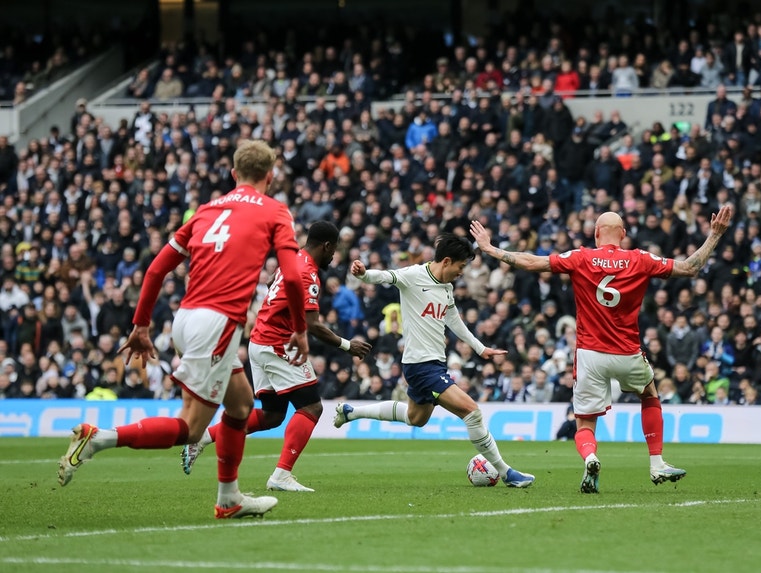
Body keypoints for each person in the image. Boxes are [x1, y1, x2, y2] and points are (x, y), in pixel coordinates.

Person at [58, 140, 310, 519]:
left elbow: (157, 268)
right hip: (218, 324)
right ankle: (100, 438)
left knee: (240, 405)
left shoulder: (206, 211)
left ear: (232, 174)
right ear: (270, 177)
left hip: (186, 319)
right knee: (192, 427)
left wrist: (141, 324)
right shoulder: (275, 211)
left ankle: (230, 498)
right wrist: (301, 328)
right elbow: (292, 276)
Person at [470, 204, 733, 493]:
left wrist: (492, 249)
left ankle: (592, 457)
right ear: (623, 234)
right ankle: (656, 462)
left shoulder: (580, 257)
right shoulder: (640, 259)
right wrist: (714, 236)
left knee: (584, 420)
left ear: (596, 233)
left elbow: (532, 262)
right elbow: (690, 267)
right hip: (627, 352)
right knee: (649, 393)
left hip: (590, 354)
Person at [179, 221, 372, 491]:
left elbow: (272, 284)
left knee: (272, 415)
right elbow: (312, 324)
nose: (333, 257)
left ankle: (203, 438)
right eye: (333, 250)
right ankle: (281, 475)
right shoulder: (308, 273)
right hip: (277, 344)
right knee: (312, 408)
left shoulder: (292, 261)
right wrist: (347, 345)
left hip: (260, 341)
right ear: (326, 246)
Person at [333, 233, 535, 487]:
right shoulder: (414, 276)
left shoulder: (447, 288)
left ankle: (352, 413)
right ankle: (507, 473)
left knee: (415, 418)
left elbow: (454, 322)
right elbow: (386, 276)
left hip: (433, 364)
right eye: (461, 267)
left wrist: (480, 348)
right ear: (447, 261)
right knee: (472, 412)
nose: (461, 273)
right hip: (421, 365)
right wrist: (363, 274)